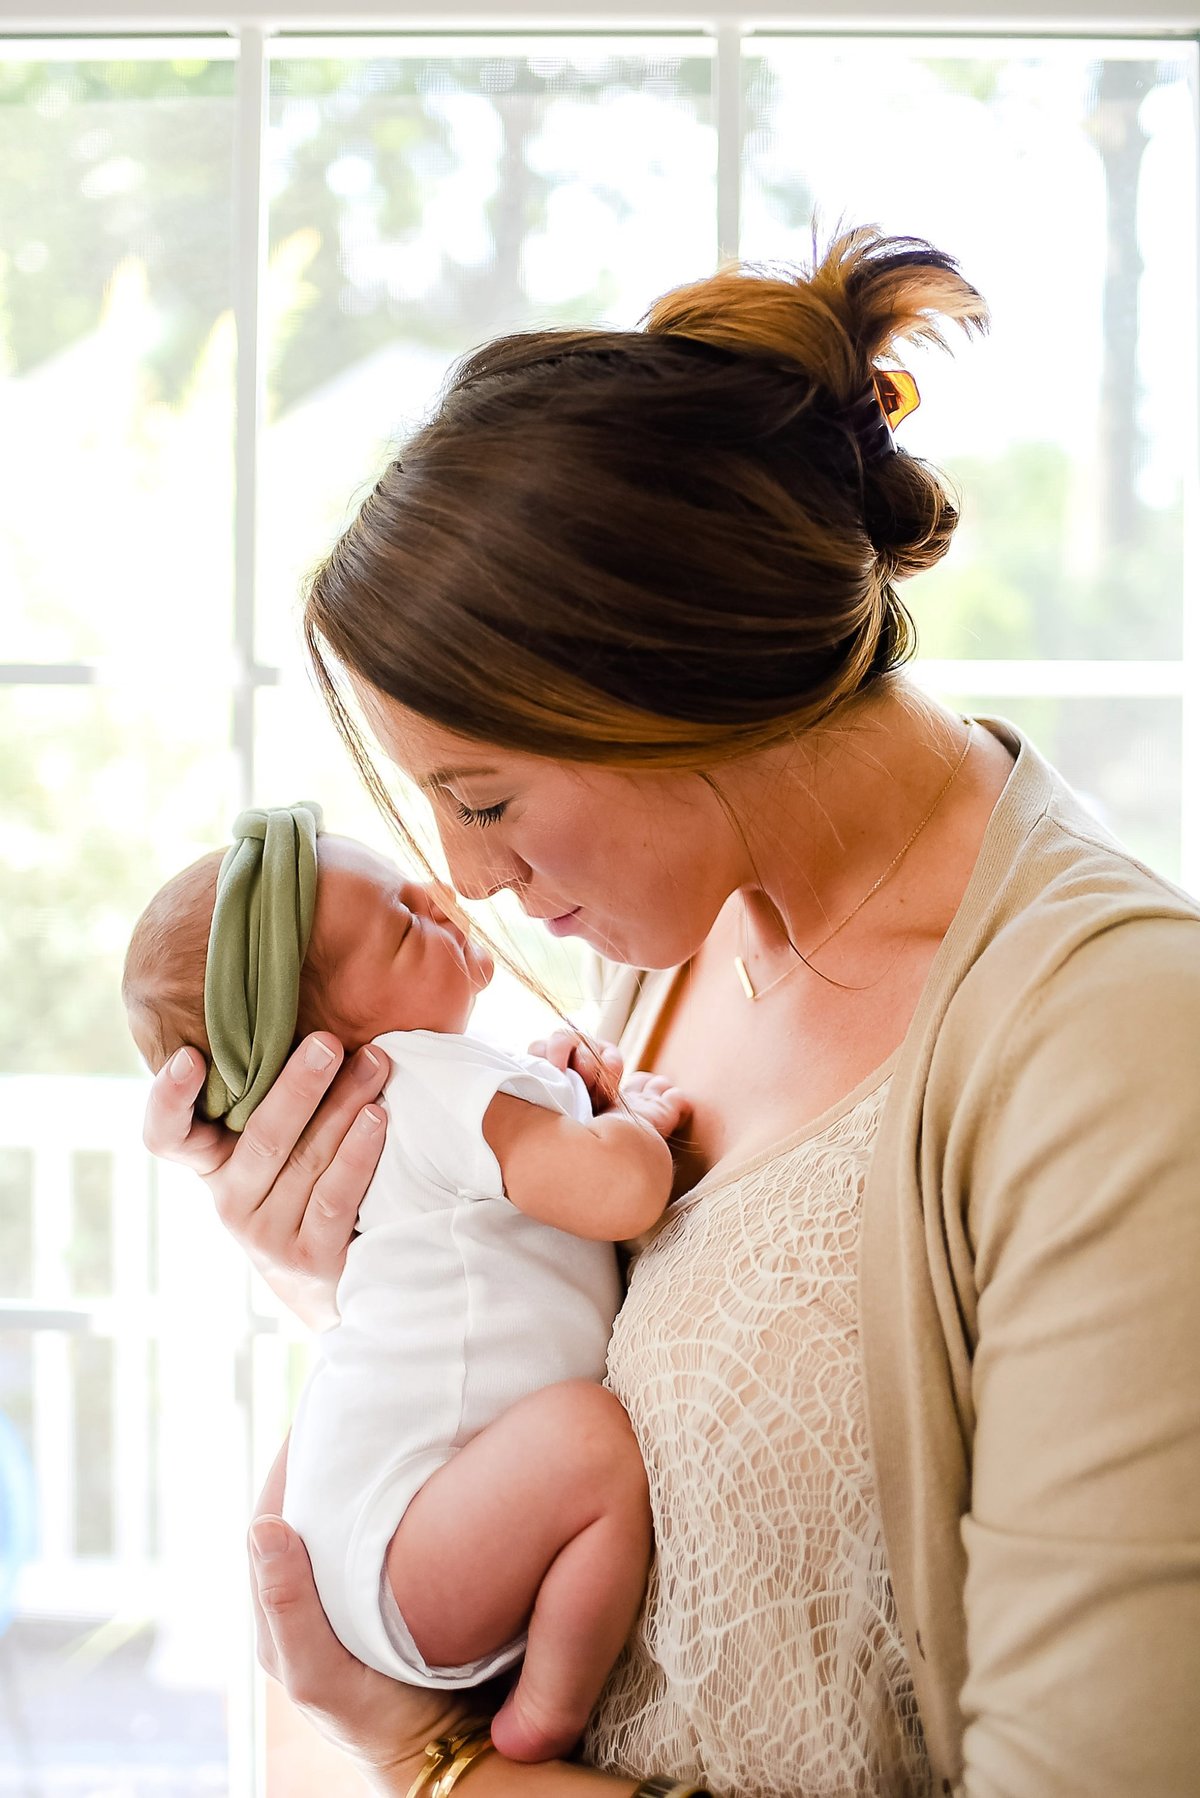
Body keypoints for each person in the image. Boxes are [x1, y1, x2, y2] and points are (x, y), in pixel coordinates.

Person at [141, 225, 1200, 1797]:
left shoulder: (1116, 1048)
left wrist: (435, 1761)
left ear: (660, 682)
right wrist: (362, 1267)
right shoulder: (656, 954)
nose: (471, 882)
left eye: (486, 799)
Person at [123, 806, 690, 1763]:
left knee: (578, 1444)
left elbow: (516, 1182)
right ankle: (547, 1708)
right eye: (400, 923)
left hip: (373, 1533)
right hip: (395, 1542)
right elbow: (624, 1190)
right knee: (590, 1442)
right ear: (333, 1045)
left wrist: (569, 1094)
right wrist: (629, 1114)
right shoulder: (419, 1080)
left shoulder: (427, 1093)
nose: (441, 897)